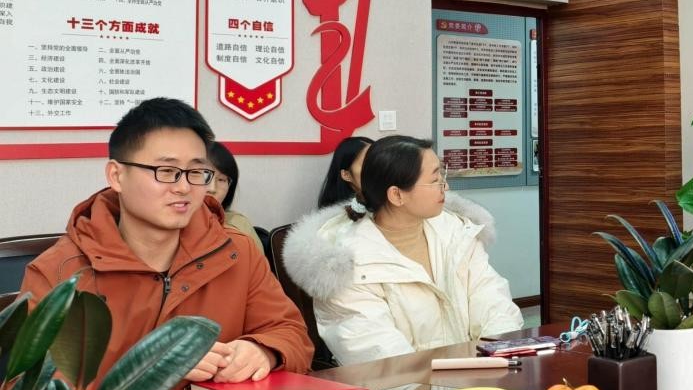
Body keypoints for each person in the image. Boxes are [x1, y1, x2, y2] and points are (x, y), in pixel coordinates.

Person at [22, 98, 313, 385]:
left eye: (196, 172)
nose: (184, 187)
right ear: (117, 175)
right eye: (167, 171)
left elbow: (292, 334)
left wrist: (263, 351)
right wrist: (148, 367)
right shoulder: (57, 272)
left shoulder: (236, 251)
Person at [283, 135, 522, 365]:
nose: (446, 186)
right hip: (404, 389)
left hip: (479, 380)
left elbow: (494, 304)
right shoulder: (343, 264)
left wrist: (495, 362)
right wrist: (460, 380)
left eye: (443, 175)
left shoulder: (457, 231)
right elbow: (384, 360)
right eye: (435, 179)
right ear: (396, 195)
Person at [206, 141, 264, 253]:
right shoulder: (173, 224)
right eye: (205, 176)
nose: (212, 188)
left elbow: (258, 263)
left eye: (221, 179)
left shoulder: (239, 225)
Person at [317, 135, 374, 210]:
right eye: (366, 164)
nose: (377, 168)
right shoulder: (335, 215)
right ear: (346, 175)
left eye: (378, 161)